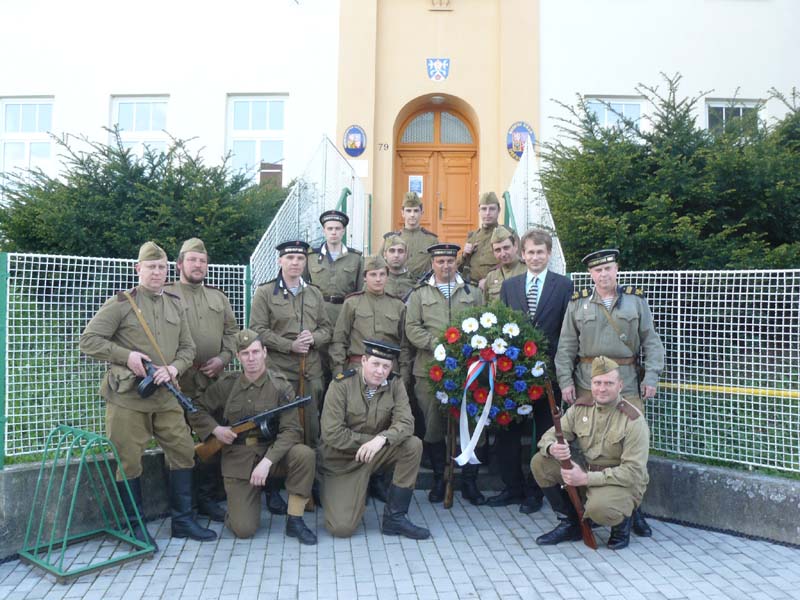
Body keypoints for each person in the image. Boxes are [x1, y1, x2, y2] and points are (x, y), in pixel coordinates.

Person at [79, 241, 216, 549]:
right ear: (137, 269)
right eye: (151, 267)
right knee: (129, 461)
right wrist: (125, 356)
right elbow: (88, 341)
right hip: (129, 398)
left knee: (182, 452)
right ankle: (134, 527)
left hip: (167, 395)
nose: (157, 272)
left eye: (162, 267)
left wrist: (175, 368)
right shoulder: (120, 304)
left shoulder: (174, 303)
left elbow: (188, 348)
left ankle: (182, 520)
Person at [555, 248, 665, 537]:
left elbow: (651, 342)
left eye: (608, 269)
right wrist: (565, 381)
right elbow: (566, 346)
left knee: (629, 448)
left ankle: (633, 509)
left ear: (617, 269)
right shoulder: (578, 305)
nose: (603, 275)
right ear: (590, 274)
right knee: (590, 444)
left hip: (626, 383)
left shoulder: (635, 302)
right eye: (597, 270)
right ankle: (587, 507)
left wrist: (651, 376)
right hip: (587, 383)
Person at [188, 330, 317, 544]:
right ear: (238, 357)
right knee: (244, 529)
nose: (251, 358)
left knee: (304, 454)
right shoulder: (227, 385)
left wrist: (267, 462)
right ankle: (242, 504)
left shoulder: (280, 385)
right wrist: (216, 430)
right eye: (245, 353)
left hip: (272, 454)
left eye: (256, 352)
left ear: (265, 353)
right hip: (238, 457)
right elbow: (196, 409)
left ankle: (295, 520)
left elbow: (292, 431)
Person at [489, 229, 573, 513]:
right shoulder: (510, 287)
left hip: (548, 373)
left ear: (548, 254)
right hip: (514, 374)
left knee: (545, 431)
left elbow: (567, 329)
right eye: (530, 252)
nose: (535, 257)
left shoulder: (564, 286)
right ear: (522, 255)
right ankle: (512, 487)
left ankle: (536, 491)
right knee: (507, 431)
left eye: (541, 252)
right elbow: (500, 326)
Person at [531, 357, 650, 550]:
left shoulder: (633, 420)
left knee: (599, 509)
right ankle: (570, 524)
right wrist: (553, 447)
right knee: (540, 462)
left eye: (608, 383)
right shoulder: (580, 408)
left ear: (620, 385)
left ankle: (622, 524)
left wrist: (585, 479)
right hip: (588, 475)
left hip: (621, 482)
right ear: (591, 384)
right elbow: (548, 437)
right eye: (597, 383)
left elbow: (632, 472)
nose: (602, 389)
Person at [318, 340, 429, 540]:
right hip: (342, 462)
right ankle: (329, 488)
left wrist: (381, 439)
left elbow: (406, 422)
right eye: (375, 364)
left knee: (412, 445)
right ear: (363, 361)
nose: (380, 371)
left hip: (376, 454)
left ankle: (395, 518)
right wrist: (371, 440)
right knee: (341, 529)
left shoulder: (395, 384)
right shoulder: (341, 385)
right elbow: (332, 433)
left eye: (386, 366)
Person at [405, 243, 485, 504]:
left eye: (450, 261)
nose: (445, 266)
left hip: (466, 369)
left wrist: (464, 347)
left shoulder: (471, 292)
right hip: (430, 369)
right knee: (434, 425)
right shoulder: (419, 295)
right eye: (440, 262)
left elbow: (484, 323)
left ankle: (470, 481)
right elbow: (412, 328)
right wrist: (436, 344)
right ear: (432, 264)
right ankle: (441, 478)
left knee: (470, 423)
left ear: (456, 263)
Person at [165, 237, 238, 523]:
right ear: (180, 264)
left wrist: (223, 358)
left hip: (213, 379)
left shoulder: (218, 297)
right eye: (192, 260)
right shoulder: (166, 294)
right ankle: (185, 508)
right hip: (179, 381)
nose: (198, 265)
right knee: (178, 443)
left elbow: (232, 333)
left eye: (203, 261)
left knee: (214, 437)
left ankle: (208, 498)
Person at [249, 240, 332, 448]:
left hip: (310, 371)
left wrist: (314, 338)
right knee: (280, 425)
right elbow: (257, 330)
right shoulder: (265, 292)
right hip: (279, 370)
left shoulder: (314, 293)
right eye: (290, 258)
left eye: (300, 258)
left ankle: (311, 472)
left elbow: (327, 330)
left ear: (305, 262)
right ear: (280, 261)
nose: (295, 262)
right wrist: (289, 345)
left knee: (311, 426)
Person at [305, 209, 363, 330]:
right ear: (324, 231)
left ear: (343, 231)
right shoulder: (311, 257)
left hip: (346, 312)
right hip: (318, 313)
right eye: (330, 229)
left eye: (337, 228)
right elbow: (303, 287)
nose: (333, 232)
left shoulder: (355, 258)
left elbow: (360, 290)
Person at [458, 192, 515, 285]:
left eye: (492, 209)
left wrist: (490, 280)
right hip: (473, 289)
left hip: (497, 287)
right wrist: (464, 255)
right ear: (479, 210)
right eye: (484, 209)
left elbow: (515, 264)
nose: (487, 213)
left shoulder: (508, 234)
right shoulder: (473, 237)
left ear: (499, 210)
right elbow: (458, 268)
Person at [383, 192, 439, 281]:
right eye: (408, 211)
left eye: (416, 211)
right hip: (398, 285)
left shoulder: (432, 240)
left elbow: (438, 265)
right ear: (402, 213)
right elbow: (380, 263)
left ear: (422, 212)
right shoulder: (391, 239)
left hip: (422, 285)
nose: (412, 215)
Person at [480, 225, 526, 303]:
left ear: (515, 246)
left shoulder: (528, 270)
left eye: (506, 248)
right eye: (498, 250)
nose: (503, 254)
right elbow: (486, 307)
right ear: (493, 253)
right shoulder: (491, 277)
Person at [382, 235, 416, 299]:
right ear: (385, 254)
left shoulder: (414, 282)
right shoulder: (377, 281)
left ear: (406, 255)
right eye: (392, 251)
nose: (396, 255)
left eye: (400, 251)